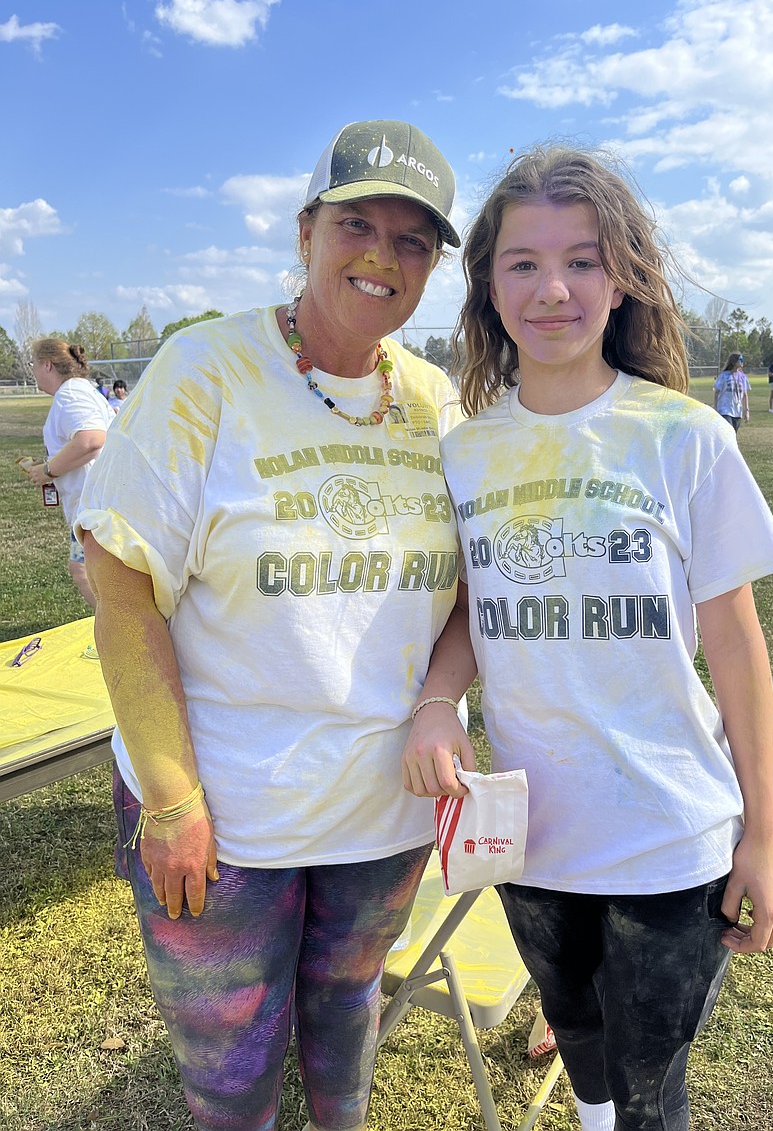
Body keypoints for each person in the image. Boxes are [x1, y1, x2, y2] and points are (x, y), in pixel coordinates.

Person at [76, 119, 464, 1131]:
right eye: (356, 223)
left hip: (382, 814)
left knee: (343, 1026)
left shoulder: (433, 404)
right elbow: (117, 577)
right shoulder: (203, 371)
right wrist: (168, 796)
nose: (381, 255)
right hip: (226, 813)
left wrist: (438, 701)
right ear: (306, 232)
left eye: (412, 240)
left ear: (431, 267)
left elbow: (470, 592)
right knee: (233, 1067)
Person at [402, 144, 773, 1131]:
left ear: (620, 278)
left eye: (581, 259)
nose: (553, 288)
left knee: (651, 1083)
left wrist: (767, 826)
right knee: (575, 1027)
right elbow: (468, 610)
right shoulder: (464, 449)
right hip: (528, 831)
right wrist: (436, 698)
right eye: (523, 263)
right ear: (488, 285)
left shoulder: (684, 436)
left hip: (668, 833)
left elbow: (737, 641)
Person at [22, 338, 113, 608]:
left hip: (95, 505)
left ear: (47, 365)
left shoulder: (69, 394)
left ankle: (118, 637)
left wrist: (48, 471)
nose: (33, 371)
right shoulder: (82, 390)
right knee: (96, 572)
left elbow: (92, 439)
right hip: (102, 501)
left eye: (33, 364)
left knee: (83, 570)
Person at [713, 352, 750, 431]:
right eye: (740, 360)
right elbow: (716, 393)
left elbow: (745, 395)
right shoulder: (724, 376)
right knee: (728, 431)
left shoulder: (743, 377)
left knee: (733, 435)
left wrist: (746, 411)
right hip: (725, 410)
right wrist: (715, 408)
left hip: (737, 411)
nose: (742, 361)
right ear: (734, 362)